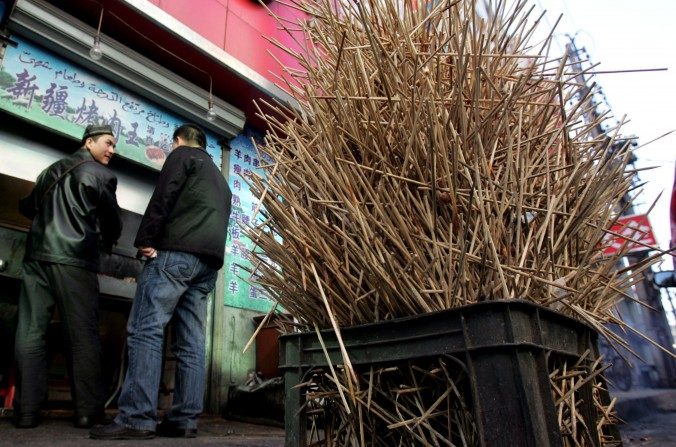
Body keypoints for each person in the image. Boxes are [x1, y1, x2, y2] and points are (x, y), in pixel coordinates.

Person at [90, 123, 232, 440]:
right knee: (191, 341)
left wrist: (145, 239)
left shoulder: (182, 156)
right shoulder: (221, 179)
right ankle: (184, 419)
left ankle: (137, 418)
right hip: (208, 263)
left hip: (175, 254)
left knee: (145, 328)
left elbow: (163, 196)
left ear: (177, 141)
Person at [14, 124, 122, 429]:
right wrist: (104, 240)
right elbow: (113, 222)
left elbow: (28, 206)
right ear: (89, 142)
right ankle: (88, 411)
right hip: (73, 259)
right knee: (83, 335)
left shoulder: (51, 171)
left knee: (30, 332)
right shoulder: (101, 176)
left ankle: (26, 412)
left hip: (36, 256)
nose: (112, 150)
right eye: (108, 143)